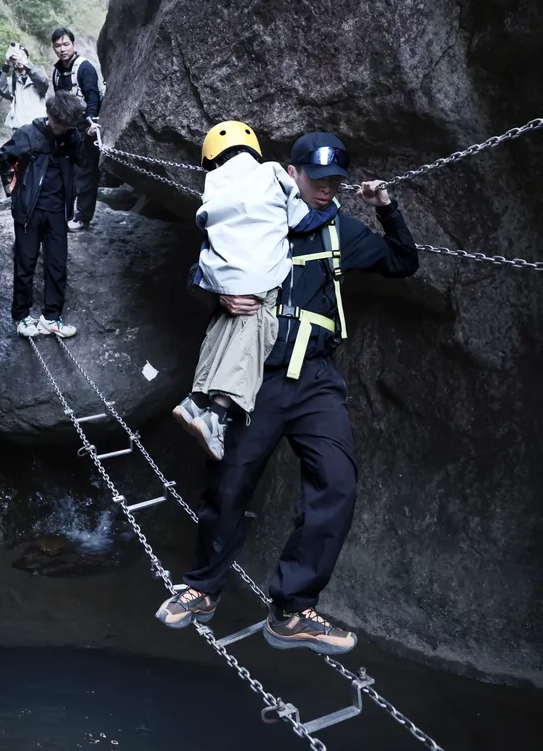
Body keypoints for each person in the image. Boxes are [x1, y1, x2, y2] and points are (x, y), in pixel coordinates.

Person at [156, 130, 419, 657]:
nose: (326, 189)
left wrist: (386, 208)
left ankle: (293, 608)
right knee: (228, 484)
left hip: (318, 378)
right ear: (291, 173)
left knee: (337, 484)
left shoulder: (339, 228)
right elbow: (195, 274)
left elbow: (402, 262)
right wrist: (218, 290)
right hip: (263, 377)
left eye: (334, 182)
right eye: (317, 180)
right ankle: (203, 588)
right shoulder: (255, 217)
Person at [172, 121, 342, 461]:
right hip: (261, 276)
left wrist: (218, 285)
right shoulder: (273, 175)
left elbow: (206, 230)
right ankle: (217, 416)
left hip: (222, 273)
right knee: (257, 332)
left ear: (213, 159)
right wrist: (333, 209)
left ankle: (196, 401)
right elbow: (301, 220)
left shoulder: (214, 185)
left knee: (224, 327)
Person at [0, 91, 87, 339]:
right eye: (58, 123)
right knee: (26, 264)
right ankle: (22, 316)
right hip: (29, 210)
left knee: (57, 265)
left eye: (66, 125)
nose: (61, 129)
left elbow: (82, 159)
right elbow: (2, 158)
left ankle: (51, 317)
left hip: (57, 211)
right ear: (50, 115)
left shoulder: (72, 137)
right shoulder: (28, 134)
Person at [51, 27, 104, 232]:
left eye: (66, 44)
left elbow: (92, 97)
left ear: (74, 45)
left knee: (85, 172)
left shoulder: (84, 68)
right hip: (66, 129)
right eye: (58, 45)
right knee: (66, 172)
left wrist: (92, 123)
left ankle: (83, 216)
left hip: (84, 127)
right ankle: (67, 213)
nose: (62, 49)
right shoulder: (57, 72)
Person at [0, 43, 49, 130]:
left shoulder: (38, 73)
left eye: (23, 55)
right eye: (16, 57)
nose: (19, 59)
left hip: (40, 127)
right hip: (20, 129)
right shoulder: (12, 81)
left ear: (27, 58)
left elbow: (43, 83)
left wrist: (25, 63)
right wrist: (6, 65)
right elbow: (0, 89)